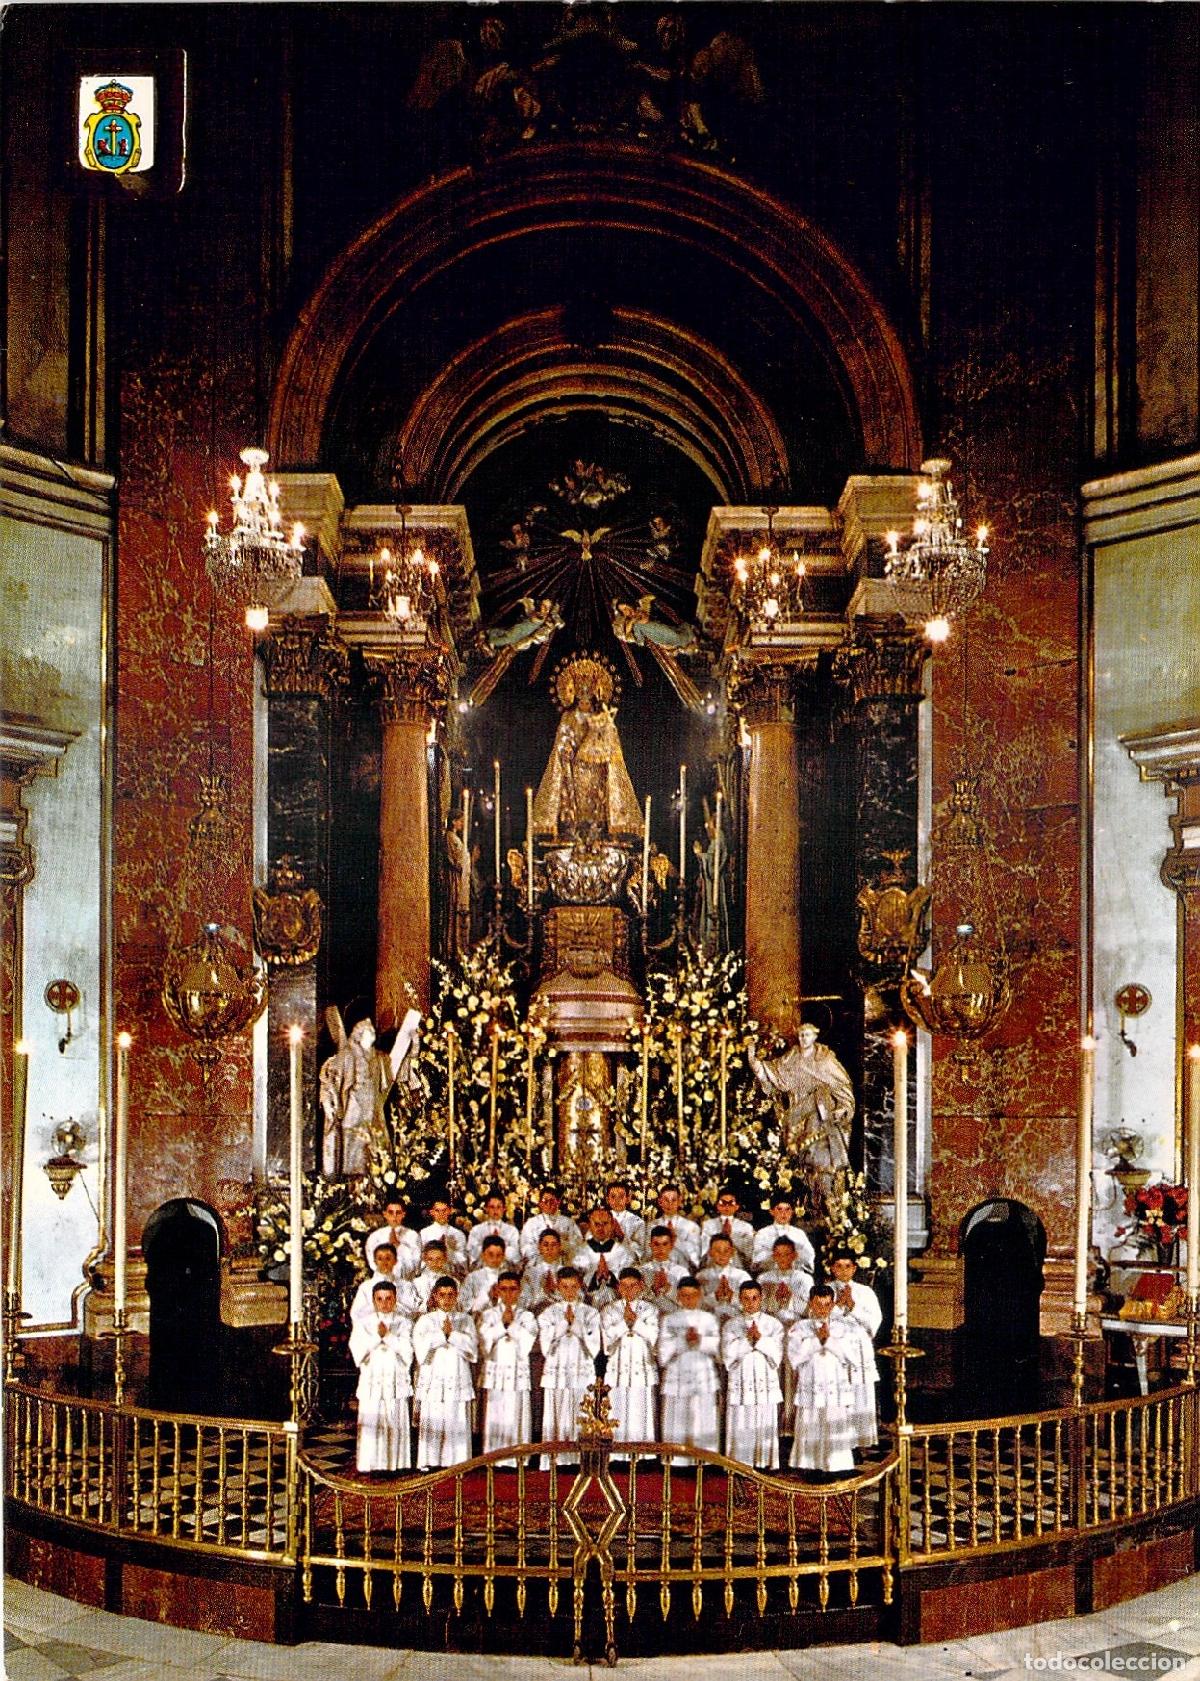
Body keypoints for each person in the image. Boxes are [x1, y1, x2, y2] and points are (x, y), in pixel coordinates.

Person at [532, 656, 643, 841]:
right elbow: (561, 740)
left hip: (597, 771)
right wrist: (566, 748)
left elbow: (612, 743)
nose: (584, 693)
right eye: (580, 689)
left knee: (597, 805)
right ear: (572, 690)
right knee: (574, 805)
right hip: (574, 771)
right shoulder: (568, 717)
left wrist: (602, 741)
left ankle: (599, 836)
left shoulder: (603, 717)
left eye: (588, 689)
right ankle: (572, 834)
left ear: (595, 691)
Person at [748, 1023, 855, 1174]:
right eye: (801, 1035)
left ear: (815, 1036)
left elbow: (842, 1085)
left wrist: (843, 1107)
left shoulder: (825, 1060)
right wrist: (754, 1062)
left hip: (819, 1117)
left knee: (819, 1165)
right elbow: (773, 1074)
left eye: (808, 1035)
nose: (804, 1038)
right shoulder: (791, 1059)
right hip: (796, 1119)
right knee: (798, 1166)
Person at [787, 1284, 859, 1476]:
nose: (822, 1309)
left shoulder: (843, 1328)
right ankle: (811, 1467)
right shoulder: (799, 1328)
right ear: (810, 1303)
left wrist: (829, 1340)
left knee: (835, 1420)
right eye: (818, 1304)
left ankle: (837, 1466)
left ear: (833, 1304)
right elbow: (794, 1358)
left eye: (827, 1305)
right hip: (811, 1383)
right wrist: (816, 1341)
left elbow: (851, 1356)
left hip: (835, 1384)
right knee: (811, 1422)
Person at [412, 1278, 479, 1469]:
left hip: (457, 1374)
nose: (447, 1299)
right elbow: (420, 1351)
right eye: (442, 1295)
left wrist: (453, 1335)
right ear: (435, 1296)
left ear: (456, 1296)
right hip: (434, 1377)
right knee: (434, 1415)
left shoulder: (466, 1320)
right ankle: (430, 1462)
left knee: (456, 1417)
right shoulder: (425, 1321)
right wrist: (443, 1336)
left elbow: (473, 1350)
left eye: (451, 1295)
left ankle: (457, 1462)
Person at [350, 1281, 414, 1473]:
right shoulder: (363, 1324)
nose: (384, 1303)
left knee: (394, 1418)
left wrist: (388, 1337)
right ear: (373, 1300)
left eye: (389, 1299)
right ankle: (371, 1464)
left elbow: (409, 1352)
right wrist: (377, 1337)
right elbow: (358, 1352)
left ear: (395, 1299)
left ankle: (397, 1464)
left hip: (395, 1378)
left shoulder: (405, 1323)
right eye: (380, 1299)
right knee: (373, 1420)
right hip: (373, 1379)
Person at [538, 1267, 601, 1464]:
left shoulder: (590, 1313)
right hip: (557, 1368)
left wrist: (576, 1325)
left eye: (573, 1286)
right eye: (565, 1287)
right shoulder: (548, 1313)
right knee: (556, 1410)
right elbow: (545, 1345)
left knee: (581, 1407)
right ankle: (555, 1458)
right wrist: (564, 1325)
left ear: (580, 1286)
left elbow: (595, 1345)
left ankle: (581, 1459)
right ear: (558, 1286)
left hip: (581, 1367)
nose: (569, 1291)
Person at [319, 1014, 394, 1178]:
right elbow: (331, 1078)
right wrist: (329, 1101)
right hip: (353, 1104)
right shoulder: (347, 1056)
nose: (370, 1038)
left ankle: (372, 1174)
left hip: (371, 1104)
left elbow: (384, 1080)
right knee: (352, 1137)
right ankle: (351, 1173)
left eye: (372, 1034)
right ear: (359, 1036)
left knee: (373, 1137)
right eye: (367, 1034)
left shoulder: (378, 1058)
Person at [477, 1272, 538, 1462]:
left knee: (516, 1413)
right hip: (496, 1372)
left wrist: (511, 1326)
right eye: (504, 1289)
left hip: (516, 1371)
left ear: (519, 1291)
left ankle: (518, 1457)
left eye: (513, 1289)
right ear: (497, 1291)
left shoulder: (527, 1316)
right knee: (495, 1412)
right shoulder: (487, 1315)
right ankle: (493, 1456)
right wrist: (503, 1325)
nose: (508, 1293)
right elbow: (483, 1342)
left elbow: (528, 1343)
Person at [722, 1282, 784, 1469]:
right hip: (741, 1378)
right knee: (741, 1420)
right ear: (740, 1299)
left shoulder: (773, 1324)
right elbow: (727, 1354)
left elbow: (778, 1353)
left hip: (764, 1380)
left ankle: (764, 1462)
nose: (750, 1303)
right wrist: (748, 1340)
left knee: (764, 1418)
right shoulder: (731, 1325)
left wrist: (760, 1339)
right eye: (746, 1298)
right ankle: (739, 1463)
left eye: (755, 1298)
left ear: (761, 1298)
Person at [657, 1277, 721, 1457]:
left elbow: (717, 1346)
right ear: (678, 1296)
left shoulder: (709, 1319)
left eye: (693, 1295)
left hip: (702, 1371)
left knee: (702, 1415)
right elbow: (663, 1349)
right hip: (678, 1371)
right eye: (684, 1296)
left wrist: (700, 1340)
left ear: (700, 1295)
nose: (689, 1300)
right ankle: (677, 1460)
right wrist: (683, 1341)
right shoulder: (669, 1320)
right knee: (678, 1415)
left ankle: (704, 1457)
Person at [599, 1269, 660, 1455]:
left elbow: (654, 1336)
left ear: (641, 1286)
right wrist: (624, 1323)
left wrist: (636, 1322)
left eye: (633, 1285)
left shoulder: (650, 1309)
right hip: (618, 1365)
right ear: (618, 1287)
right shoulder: (609, 1309)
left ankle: (643, 1454)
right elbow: (606, 1340)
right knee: (618, 1406)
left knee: (641, 1408)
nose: (628, 1290)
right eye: (624, 1286)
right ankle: (617, 1454)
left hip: (641, 1365)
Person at [829, 1249, 882, 1452]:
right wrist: (837, 1306)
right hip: (836, 1349)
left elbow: (874, 1322)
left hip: (859, 1349)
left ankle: (858, 1443)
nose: (843, 1271)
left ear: (854, 1268)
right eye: (839, 1266)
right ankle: (839, 1441)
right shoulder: (825, 1290)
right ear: (832, 1268)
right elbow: (816, 1316)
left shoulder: (865, 1292)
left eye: (847, 1266)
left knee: (859, 1394)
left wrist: (852, 1306)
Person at [577, 1206, 637, 1308]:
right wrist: (595, 1278)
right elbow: (574, 1284)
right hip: (587, 1305)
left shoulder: (624, 1251)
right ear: (589, 1226)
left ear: (612, 1225)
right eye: (596, 1224)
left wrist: (610, 1277)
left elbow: (632, 1282)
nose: (601, 1228)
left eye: (605, 1224)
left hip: (618, 1306)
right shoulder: (579, 1252)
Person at [350, 1242, 421, 1324]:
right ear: (375, 1261)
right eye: (380, 1259)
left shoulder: (406, 1285)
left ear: (395, 1260)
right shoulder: (365, 1287)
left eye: (388, 1258)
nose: (384, 1263)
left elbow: (414, 1313)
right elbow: (356, 1315)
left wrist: (395, 1307)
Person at [750, 1195, 816, 1274]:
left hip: (795, 1276)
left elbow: (809, 1256)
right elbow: (757, 1259)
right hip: (770, 1277)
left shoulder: (799, 1234)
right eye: (779, 1209)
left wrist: (795, 1255)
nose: (783, 1213)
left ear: (792, 1212)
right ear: (771, 1211)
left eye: (788, 1209)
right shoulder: (763, 1233)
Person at [696, 1232, 750, 1323]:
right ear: (710, 1252)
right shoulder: (701, 1276)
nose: (722, 1254)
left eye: (726, 1250)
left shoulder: (742, 1276)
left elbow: (751, 1305)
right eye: (717, 1250)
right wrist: (715, 1297)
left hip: (737, 1322)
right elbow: (696, 1305)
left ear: (732, 1252)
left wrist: (732, 1297)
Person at [365, 1195, 423, 1278]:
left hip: (405, 1281)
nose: (394, 1216)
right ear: (385, 1214)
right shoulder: (375, 1237)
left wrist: (399, 1246)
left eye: (398, 1213)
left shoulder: (413, 1236)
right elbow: (373, 1263)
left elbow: (416, 1264)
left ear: (403, 1214)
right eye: (391, 1212)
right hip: (382, 1281)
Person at [520, 1186, 580, 1261]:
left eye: (552, 1201)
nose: (548, 1204)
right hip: (538, 1264)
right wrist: (542, 1249)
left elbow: (577, 1245)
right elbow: (525, 1246)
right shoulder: (531, 1223)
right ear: (540, 1203)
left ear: (557, 1202)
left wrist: (561, 1245)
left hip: (562, 1263)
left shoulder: (568, 1222)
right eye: (545, 1201)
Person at [699, 1189, 754, 1269]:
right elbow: (703, 1250)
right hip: (713, 1267)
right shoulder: (708, 1225)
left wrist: (732, 1238)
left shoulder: (745, 1227)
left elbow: (749, 1253)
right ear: (717, 1205)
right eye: (723, 1203)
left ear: (737, 1206)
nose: (727, 1207)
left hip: (737, 1268)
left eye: (731, 1203)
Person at [520, 1229, 568, 1314]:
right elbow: (524, 1302)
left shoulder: (567, 1272)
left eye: (554, 1245)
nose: (550, 1249)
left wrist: (557, 1292)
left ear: (560, 1247)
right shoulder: (530, 1273)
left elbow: (578, 1298)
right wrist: (543, 1294)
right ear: (539, 1247)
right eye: (546, 1245)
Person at [639, 1225, 689, 1307]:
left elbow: (687, 1302)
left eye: (665, 1244)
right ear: (650, 1245)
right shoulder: (642, 1270)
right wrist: (653, 1290)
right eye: (656, 1244)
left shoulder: (682, 1272)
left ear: (671, 1246)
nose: (660, 1249)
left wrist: (668, 1289)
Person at [467, 1192, 521, 1267]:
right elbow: (471, 1254)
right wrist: (487, 1245)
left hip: (505, 1271)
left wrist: (500, 1246)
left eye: (499, 1207)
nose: (495, 1211)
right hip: (482, 1270)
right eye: (492, 1207)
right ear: (486, 1208)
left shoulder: (512, 1231)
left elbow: (516, 1256)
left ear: (504, 1208)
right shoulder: (476, 1230)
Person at [460, 1234, 509, 1314]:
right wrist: (485, 1297)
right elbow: (463, 1304)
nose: (494, 1259)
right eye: (491, 1255)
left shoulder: (509, 1277)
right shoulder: (473, 1277)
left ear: (503, 1256)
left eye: (498, 1255)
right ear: (483, 1255)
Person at [655, 1185, 702, 1268]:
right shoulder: (651, 1226)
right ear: (660, 1201)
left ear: (679, 1201)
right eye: (666, 1200)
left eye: (673, 1200)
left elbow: (695, 1258)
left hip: (682, 1274)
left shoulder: (691, 1227)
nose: (670, 1204)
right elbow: (646, 1256)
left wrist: (676, 1241)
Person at [420, 1198, 468, 1275]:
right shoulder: (424, 1233)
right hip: (429, 1275)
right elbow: (420, 1259)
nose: (441, 1214)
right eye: (437, 1211)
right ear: (432, 1212)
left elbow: (463, 1262)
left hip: (450, 1275)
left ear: (450, 1211)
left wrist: (449, 1249)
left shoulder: (458, 1234)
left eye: (444, 1210)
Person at [604, 1181, 647, 1258]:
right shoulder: (599, 1218)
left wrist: (622, 1237)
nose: (617, 1200)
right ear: (607, 1200)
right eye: (613, 1197)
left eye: (621, 1196)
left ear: (628, 1198)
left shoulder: (637, 1222)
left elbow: (640, 1252)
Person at [412, 1239, 455, 1310]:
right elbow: (414, 1306)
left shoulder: (454, 1282)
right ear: (425, 1259)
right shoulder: (417, 1282)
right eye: (430, 1259)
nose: (435, 1263)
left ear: (445, 1258)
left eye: (438, 1259)